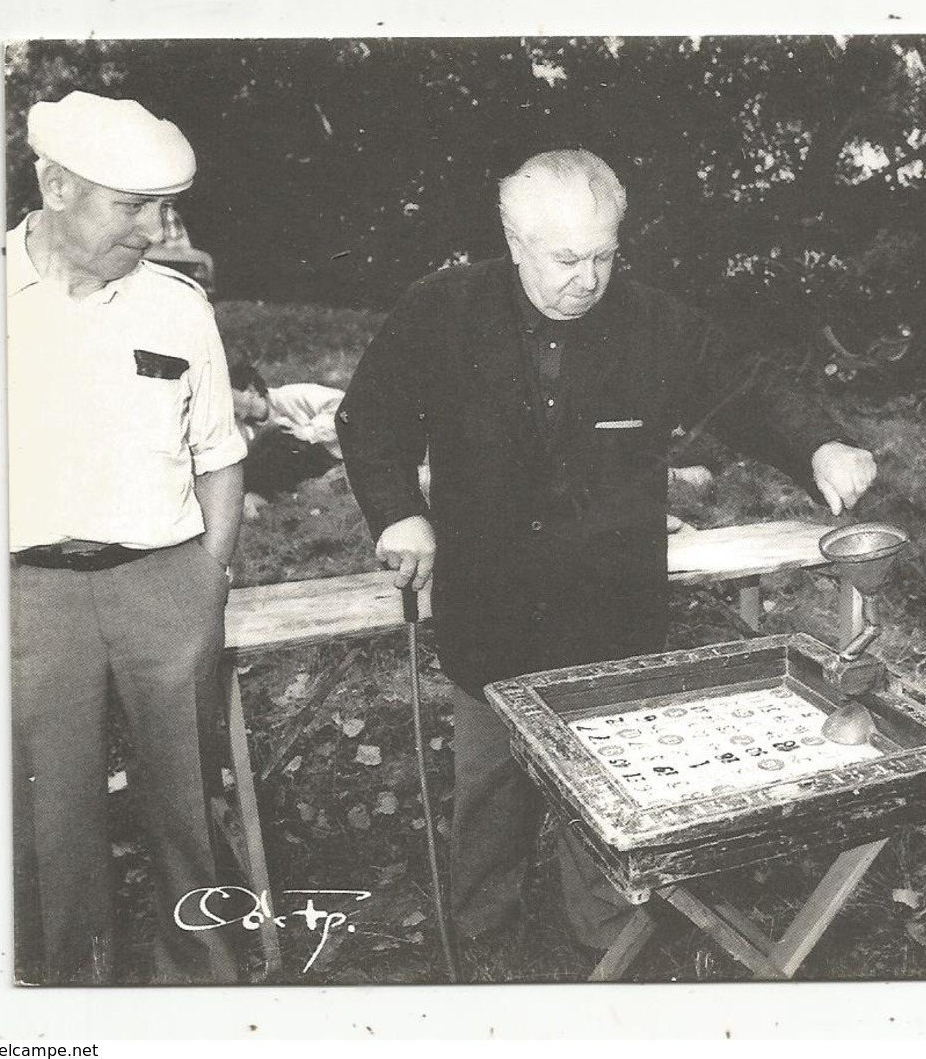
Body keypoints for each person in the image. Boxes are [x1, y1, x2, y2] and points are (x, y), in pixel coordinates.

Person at [337, 148, 878, 953]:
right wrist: (398, 516)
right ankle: (486, 924)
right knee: (491, 782)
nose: (586, 279)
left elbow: (750, 387)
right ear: (514, 241)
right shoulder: (441, 310)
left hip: (608, 606)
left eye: (603, 256)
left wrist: (822, 446)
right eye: (564, 259)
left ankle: (607, 931)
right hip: (490, 600)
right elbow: (370, 420)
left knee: (607, 773)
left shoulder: (654, 322)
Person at [8, 92, 247, 983]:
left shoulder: (178, 308)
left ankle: (204, 983)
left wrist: (206, 577)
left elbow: (220, 451)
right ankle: (62, 993)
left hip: (163, 584)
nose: (156, 227)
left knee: (186, 800)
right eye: (133, 206)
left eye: (162, 205)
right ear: (56, 184)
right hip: (27, 593)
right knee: (46, 815)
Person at [229, 362, 347, 518]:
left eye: (227, 396)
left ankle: (238, 499)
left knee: (277, 430)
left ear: (251, 389)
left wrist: (308, 431)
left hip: (329, 455)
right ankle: (250, 500)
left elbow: (344, 405)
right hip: (297, 470)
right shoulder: (240, 426)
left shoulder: (290, 395)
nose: (225, 405)